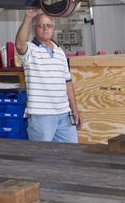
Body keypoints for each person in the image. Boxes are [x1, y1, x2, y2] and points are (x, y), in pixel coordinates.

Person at [15, 9, 80, 142]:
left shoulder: (60, 52)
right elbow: (20, 45)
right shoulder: (30, 50)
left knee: (72, 155)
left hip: (64, 115)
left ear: (53, 28)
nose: (45, 28)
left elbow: (67, 83)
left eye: (49, 25)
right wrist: (28, 17)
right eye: (41, 25)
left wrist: (74, 110)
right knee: (42, 158)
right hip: (41, 116)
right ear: (35, 29)